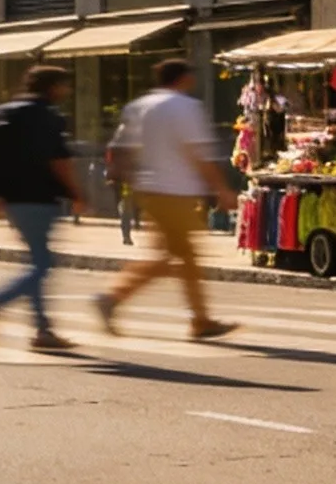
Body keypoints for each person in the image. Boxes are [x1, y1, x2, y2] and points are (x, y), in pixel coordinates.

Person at [94, 60, 240, 341]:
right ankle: (111, 298)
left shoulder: (139, 106)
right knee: (176, 258)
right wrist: (221, 188)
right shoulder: (185, 107)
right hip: (176, 191)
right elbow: (197, 153)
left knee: (181, 258)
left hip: (150, 190)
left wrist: (129, 180)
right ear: (184, 78)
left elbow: (122, 149)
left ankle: (200, 319)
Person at [0, 65, 85, 350]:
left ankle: (43, 331)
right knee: (43, 264)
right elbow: (59, 161)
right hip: (39, 199)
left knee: (37, 263)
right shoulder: (48, 116)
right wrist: (77, 192)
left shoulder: (7, 112)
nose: (67, 91)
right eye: (63, 85)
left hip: (13, 200)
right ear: (53, 87)